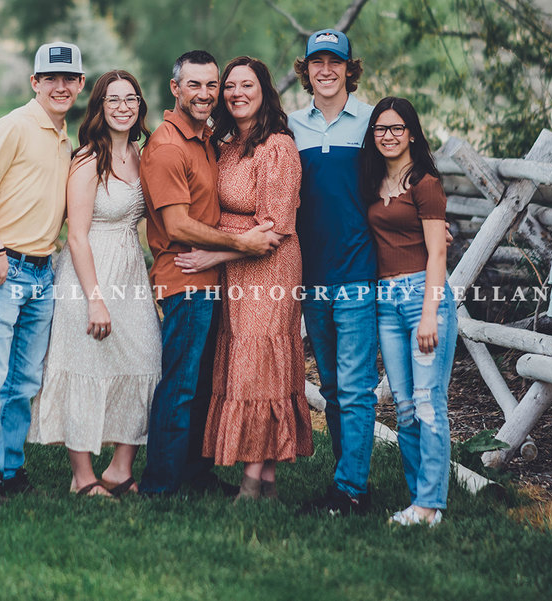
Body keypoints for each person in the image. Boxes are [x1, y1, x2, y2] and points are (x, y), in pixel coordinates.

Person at [138, 50, 280, 497]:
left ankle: (194, 474)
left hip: (210, 280)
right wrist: (242, 244)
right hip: (185, 278)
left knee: (200, 384)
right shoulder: (167, 146)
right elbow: (177, 225)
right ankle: (160, 484)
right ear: (175, 88)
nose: (205, 94)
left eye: (211, 85)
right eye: (194, 85)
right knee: (180, 384)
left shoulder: (204, 139)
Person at [174, 57, 314, 501]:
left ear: (264, 91)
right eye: (230, 86)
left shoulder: (278, 147)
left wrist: (213, 253)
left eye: (246, 85)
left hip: (269, 268)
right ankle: (266, 481)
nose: (236, 93)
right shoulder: (228, 144)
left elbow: (274, 229)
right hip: (236, 269)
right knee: (250, 364)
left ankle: (252, 482)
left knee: (260, 366)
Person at [0, 41, 85, 503]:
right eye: (50, 78)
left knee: (23, 383)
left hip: (41, 273)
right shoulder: (14, 125)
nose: (60, 86)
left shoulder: (63, 138)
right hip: (2, 267)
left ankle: (11, 469)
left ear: (79, 84)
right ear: (34, 82)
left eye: (69, 78)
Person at [29, 71, 160, 497]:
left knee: (145, 359)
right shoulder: (87, 159)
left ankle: (120, 469)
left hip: (130, 270)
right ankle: (82, 477)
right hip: (89, 272)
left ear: (140, 105)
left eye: (131, 99)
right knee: (84, 365)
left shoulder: (141, 154)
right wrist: (95, 300)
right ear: (100, 107)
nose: (123, 107)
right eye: (113, 99)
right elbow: (77, 236)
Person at [287, 29, 380, 515]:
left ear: (349, 68)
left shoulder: (371, 122)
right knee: (332, 388)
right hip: (312, 275)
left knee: (356, 386)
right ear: (306, 70)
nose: (326, 70)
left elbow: (405, 177)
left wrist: (432, 224)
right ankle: (350, 481)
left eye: (335, 62)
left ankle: (350, 489)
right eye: (317, 62)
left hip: (358, 272)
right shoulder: (290, 127)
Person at [361, 97, 456, 527]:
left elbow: (438, 252)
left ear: (412, 134)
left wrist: (430, 313)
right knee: (404, 407)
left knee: (428, 402)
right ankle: (419, 499)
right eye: (381, 128)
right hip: (386, 302)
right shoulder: (371, 182)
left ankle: (430, 505)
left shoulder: (425, 183)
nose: (388, 136)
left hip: (422, 298)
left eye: (397, 128)